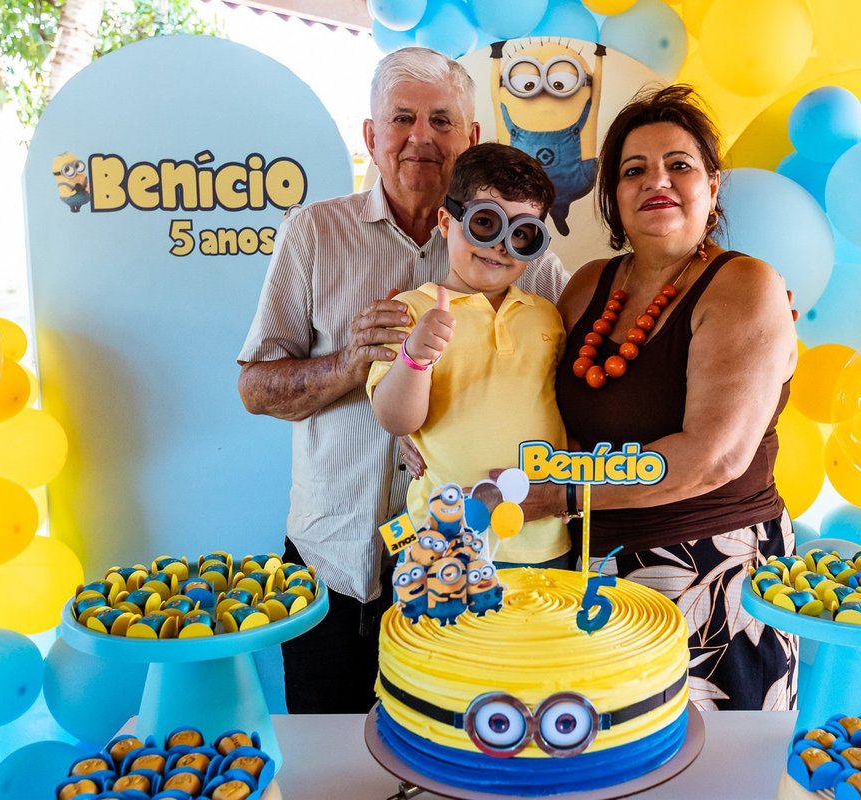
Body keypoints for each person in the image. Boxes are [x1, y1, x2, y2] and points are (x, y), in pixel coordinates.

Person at [236, 48, 569, 714]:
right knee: (335, 753)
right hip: (338, 555)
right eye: (402, 119)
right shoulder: (314, 234)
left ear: (470, 137)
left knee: (463, 739)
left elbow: (588, 373)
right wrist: (355, 363)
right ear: (371, 135)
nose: (421, 137)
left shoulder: (532, 263)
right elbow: (256, 389)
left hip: (484, 559)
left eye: (441, 120)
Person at [526, 84, 799, 710]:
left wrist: (564, 494)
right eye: (634, 169)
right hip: (591, 567)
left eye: (680, 164)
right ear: (613, 196)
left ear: (712, 186)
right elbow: (540, 406)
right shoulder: (589, 284)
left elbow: (714, 457)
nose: (659, 181)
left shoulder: (747, 283)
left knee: (710, 768)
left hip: (711, 571)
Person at [366, 143, 571, 570]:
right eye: (485, 223)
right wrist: (415, 356)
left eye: (522, 233)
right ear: (447, 221)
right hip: (445, 539)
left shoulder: (546, 315)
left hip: (544, 540)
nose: (501, 247)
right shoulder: (411, 310)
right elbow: (396, 420)